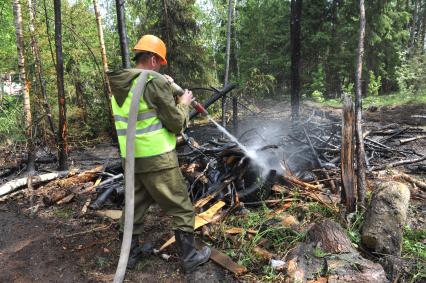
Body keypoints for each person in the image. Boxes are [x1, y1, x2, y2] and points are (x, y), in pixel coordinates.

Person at [108, 34, 211, 272]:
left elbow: (145, 111)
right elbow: (175, 122)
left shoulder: (124, 84)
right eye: (160, 62)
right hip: (158, 159)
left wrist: (166, 87)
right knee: (182, 207)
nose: (161, 66)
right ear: (153, 59)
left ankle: (131, 254)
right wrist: (184, 101)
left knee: (135, 205)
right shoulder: (153, 82)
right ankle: (189, 257)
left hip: (132, 159)